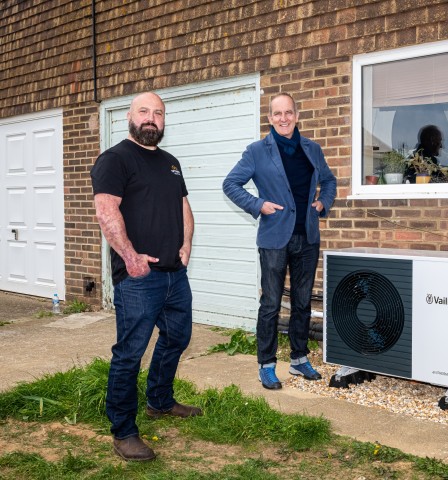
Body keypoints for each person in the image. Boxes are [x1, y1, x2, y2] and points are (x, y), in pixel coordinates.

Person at [91, 92, 202, 462]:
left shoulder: (171, 162)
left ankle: (159, 401)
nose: (151, 118)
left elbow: (183, 206)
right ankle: (123, 431)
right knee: (130, 353)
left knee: (177, 337)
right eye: (144, 111)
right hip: (139, 278)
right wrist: (130, 256)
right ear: (130, 117)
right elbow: (106, 211)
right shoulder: (115, 159)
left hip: (175, 274)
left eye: (158, 113)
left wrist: (186, 243)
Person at [223, 93, 337, 390]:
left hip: (307, 236)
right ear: (270, 118)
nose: (283, 118)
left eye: (288, 112)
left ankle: (299, 360)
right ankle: (267, 364)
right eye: (277, 114)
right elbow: (231, 184)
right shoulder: (258, 151)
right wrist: (258, 204)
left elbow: (330, 181)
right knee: (271, 304)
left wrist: (323, 203)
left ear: (296, 115)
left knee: (302, 303)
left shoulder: (312, 149)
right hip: (274, 237)